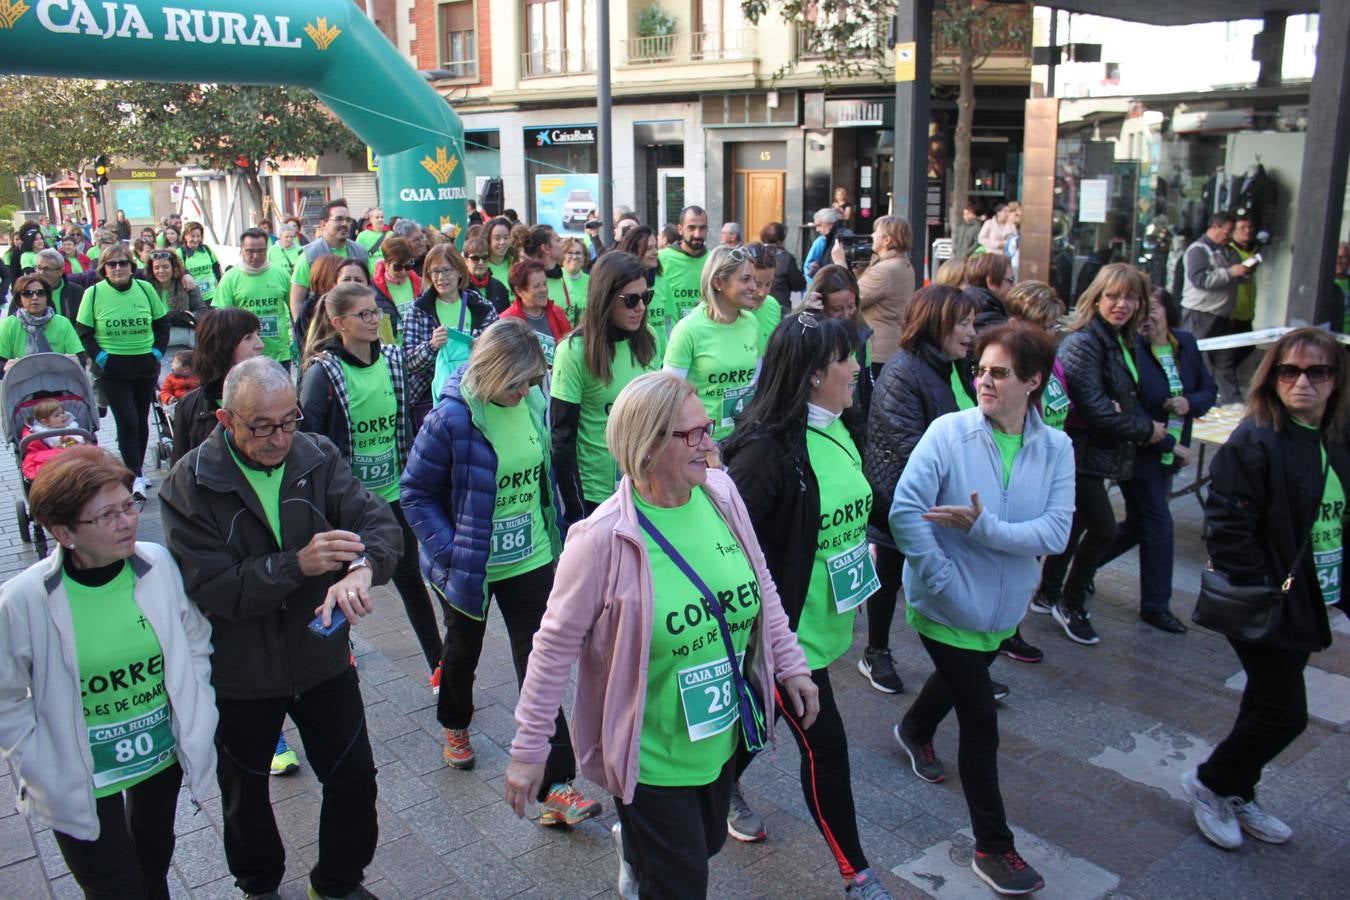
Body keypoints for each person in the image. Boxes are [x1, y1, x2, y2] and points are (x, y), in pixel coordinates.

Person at [505, 371, 819, 898]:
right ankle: (643, 853)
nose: (710, 444)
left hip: (722, 738)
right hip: (650, 759)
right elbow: (551, 649)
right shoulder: (601, 540)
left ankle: (638, 852)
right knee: (682, 882)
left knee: (707, 845)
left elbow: (760, 584)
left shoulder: (721, 494)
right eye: (692, 435)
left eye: (707, 429)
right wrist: (529, 748)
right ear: (647, 445)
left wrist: (791, 665)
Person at [160, 356, 400, 900]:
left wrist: (363, 569)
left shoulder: (315, 454)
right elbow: (213, 588)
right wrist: (300, 565)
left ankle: (337, 884)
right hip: (239, 674)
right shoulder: (189, 483)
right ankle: (259, 886)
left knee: (355, 778)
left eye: (288, 419)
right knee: (244, 794)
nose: (278, 438)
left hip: (321, 661)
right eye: (261, 426)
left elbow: (378, 521)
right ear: (225, 419)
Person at [890, 322, 1072, 896]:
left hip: (1003, 609)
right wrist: (942, 578)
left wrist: (985, 528)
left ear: (1033, 381)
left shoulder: (1057, 446)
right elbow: (905, 512)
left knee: (963, 681)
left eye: (1000, 373)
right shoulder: (949, 433)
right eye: (981, 370)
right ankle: (994, 846)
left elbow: (1058, 530)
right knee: (981, 720)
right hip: (944, 605)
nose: (984, 381)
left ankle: (914, 726)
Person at [721, 314, 896, 899]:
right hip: (782, 640)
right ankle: (858, 875)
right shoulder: (765, 454)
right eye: (847, 359)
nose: (857, 368)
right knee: (826, 748)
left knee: (746, 737)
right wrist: (766, 638)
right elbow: (726, 548)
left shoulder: (840, 424)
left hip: (823, 627)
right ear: (816, 373)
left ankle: (673, 813)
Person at [401, 320, 603, 824]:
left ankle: (557, 786)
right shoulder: (451, 418)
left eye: (533, 381)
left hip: (530, 557)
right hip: (469, 564)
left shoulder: (532, 403)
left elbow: (543, 473)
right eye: (518, 382)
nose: (527, 391)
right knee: (462, 650)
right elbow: (416, 492)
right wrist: (449, 550)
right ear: (493, 373)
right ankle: (455, 722)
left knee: (541, 664)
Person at [0, 447, 218, 900]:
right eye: (107, 515)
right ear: (64, 532)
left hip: (157, 758)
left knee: (153, 866)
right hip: (78, 774)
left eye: (129, 505)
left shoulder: (156, 564)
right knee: (115, 888)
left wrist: (199, 707)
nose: (128, 521)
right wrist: (36, 760)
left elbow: (193, 637)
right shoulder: (24, 599)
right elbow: (5, 696)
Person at [1184, 327, 1347, 851]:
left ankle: (1238, 788)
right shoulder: (1257, 437)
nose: (1302, 382)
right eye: (1289, 370)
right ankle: (1211, 781)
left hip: (1314, 596)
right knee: (1285, 713)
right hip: (1269, 600)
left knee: (1263, 700)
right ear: (1272, 376)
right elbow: (1227, 525)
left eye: (1317, 372)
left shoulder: (1336, 438)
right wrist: (1265, 586)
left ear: (1336, 380)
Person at [299, 283, 442, 681]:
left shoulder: (392, 360)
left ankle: (438, 662)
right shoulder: (324, 372)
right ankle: (338, 661)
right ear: (339, 323)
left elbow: (417, 380)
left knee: (410, 576)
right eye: (363, 315)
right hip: (347, 505)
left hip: (393, 494)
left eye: (376, 311)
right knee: (341, 582)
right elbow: (309, 440)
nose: (374, 320)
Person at [1032, 263, 1164, 645]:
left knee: (1074, 527)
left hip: (1099, 452)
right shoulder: (1085, 341)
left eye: (1129, 297)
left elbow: (1123, 397)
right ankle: (1069, 602)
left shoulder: (1122, 340)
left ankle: (1048, 592)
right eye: (1113, 296)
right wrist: (1149, 431)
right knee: (1103, 528)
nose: (1121, 304)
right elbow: (1095, 409)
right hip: (1079, 452)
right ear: (1097, 297)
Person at [862, 285, 980, 694]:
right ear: (936, 323)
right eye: (962, 323)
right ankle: (875, 651)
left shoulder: (958, 364)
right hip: (901, 492)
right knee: (889, 574)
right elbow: (911, 446)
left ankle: (964, 667)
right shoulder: (903, 371)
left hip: (950, 489)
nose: (971, 332)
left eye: (972, 322)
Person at [1099, 287, 1216, 633]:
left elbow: (1208, 391)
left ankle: (1080, 568)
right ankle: (1156, 606)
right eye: (1141, 309)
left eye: (1154, 309)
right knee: (1159, 524)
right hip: (1141, 452)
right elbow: (1130, 406)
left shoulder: (1186, 345)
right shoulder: (1131, 351)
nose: (1146, 316)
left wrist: (1189, 403)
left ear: (1169, 312)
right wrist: (1164, 441)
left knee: (1139, 524)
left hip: (1173, 453)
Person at [551, 252, 661, 523]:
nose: (640, 308)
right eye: (631, 300)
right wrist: (576, 511)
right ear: (604, 298)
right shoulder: (573, 351)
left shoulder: (650, 339)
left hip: (646, 485)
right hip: (597, 495)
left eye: (646, 297)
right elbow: (562, 438)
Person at [75, 245, 168, 499]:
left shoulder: (146, 289)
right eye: (112, 264)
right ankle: (134, 475)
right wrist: (102, 357)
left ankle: (136, 469)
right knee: (126, 420)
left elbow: (161, 324)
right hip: (113, 370)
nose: (118, 268)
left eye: (123, 263)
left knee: (140, 419)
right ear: (104, 268)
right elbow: (84, 331)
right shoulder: (93, 293)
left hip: (145, 366)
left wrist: (157, 352)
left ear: (131, 266)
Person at [663, 244, 763, 442]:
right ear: (718, 282)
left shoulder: (752, 323)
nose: (754, 287)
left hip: (744, 437)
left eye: (754, 279)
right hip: (700, 442)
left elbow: (755, 383)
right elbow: (670, 399)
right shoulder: (688, 329)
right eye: (745, 279)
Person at [402, 242, 497, 411]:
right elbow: (409, 361)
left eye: (446, 270)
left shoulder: (480, 305)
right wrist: (431, 346)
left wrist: (482, 346)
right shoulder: (418, 310)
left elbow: (498, 348)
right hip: (434, 398)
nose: (440, 278)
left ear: (460, 271)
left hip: (478, 393)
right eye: (435, 272)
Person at [170, 308, 264, 465]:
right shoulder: (189, 406)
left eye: (258, 335)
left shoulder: (279, 397)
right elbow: (180, 472)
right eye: (248, 338)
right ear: (221, 346)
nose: (260, 345)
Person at [1180, 212, 1249, 405]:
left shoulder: (1229, 251)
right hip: (1199, 313)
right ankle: (1186, 398)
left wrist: (1244, 272)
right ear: (1214, 227)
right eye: (1226, 231)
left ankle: (1233, 401)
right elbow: (1200, 279)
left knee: (1225, 361)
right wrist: (1230, 272)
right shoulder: (1198, 250)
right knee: (1191, 357)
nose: (1228, 236)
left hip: (1223, 315)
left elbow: (1237, 276)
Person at [804, 264, 875, 447]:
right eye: (837, 309)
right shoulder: (810, 333)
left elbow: (866, 384)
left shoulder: (862, 335)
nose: (846, 315)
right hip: (816, 426)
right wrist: (809, 317)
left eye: (851, 306)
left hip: (852, 426)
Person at [213, 227, 295, 369]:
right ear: (241, 250)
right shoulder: (230, 278)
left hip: (279, 355)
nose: (256, 256)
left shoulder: (281, 275)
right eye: (250, 251)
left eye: (261, 251)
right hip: (244, 357)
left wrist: (298, 340)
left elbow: (296, 308)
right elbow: (222, 320)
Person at [288, 198, 369, 323]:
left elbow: (368, 291)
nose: (344, 224)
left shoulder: (360, 253)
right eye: (338, 219)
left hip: (355, 326)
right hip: (322, 327)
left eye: (348, 220)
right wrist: (303, 334)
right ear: (323, 224)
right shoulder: (310, 255)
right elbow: (296, 301)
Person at [857, 215, 916, 376]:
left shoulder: (884, 270)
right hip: (892, 344)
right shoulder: (903, 263)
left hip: (878, 349)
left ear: (887, 240)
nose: (872, 236)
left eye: (876, 232)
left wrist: (840, 265)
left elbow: (851, 298)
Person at [651, 206, 711, 350]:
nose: (697, 233)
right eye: (691, 227)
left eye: (702, 228)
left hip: (704, 343)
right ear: (680, 229)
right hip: (670, 344)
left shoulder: (713, 261)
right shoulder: (661, 258)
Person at [0, 274, 84, 371]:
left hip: (58, 380)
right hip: (21, 382)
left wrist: (74, 361)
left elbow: (81, 359)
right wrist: (5, 367)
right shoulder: (9, 324)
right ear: (19, 299)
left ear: (47, 297)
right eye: (27, 293)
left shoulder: (62, 323)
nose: (35, 297)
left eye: (40, 293)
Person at [500, 258, 572, 366]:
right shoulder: (507, 321)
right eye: (537, 286)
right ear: (519, 291)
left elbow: (569, 350)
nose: (544, 290)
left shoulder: (557, 313)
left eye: (545, 284)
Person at [370, 236, 422, 343]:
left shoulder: (420, 283)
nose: (403, 272)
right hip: (391, 349)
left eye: (407, 266)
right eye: (397, 267)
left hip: (417, 347)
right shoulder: (373, 289)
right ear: (387, 265)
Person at [30, 248, 87, 322]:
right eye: (38, 268)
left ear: (60, 272)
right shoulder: (26, 292)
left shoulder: (77, 292)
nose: (41, 272)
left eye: (46, 269)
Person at [758, 221, 806, 307]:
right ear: (781, 240)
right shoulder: (786, 258)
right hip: (779, 305)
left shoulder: (753, 254)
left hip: (755, 304)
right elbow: (799, 284)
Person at [962, 253, 1015, 331]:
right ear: (991, 282)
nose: (1014, 285)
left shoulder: (972, 302)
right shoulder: (985, 315)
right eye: (1010, 281)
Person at [462, 234, 512, 313]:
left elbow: (506, 317)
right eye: (475, 258)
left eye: (485, 258)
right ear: (465, 260)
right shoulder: (459, 287)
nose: (481, 262)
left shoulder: (499, 287)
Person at [177, 223, 221, 303]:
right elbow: (177, 272)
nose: (196, 239)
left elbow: (216, 268)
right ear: (185, 236)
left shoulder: (207, 249)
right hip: (193, 298)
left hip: (213, 295)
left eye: (198, 236)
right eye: (192, 236)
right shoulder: (180, 253)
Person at [804, 208, 844, 280]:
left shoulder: (837, 240)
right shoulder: (826, 239)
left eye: (819, 225)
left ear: (830, 224)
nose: (817, 229)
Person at [559, 236, 591, 326]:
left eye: (578, 253)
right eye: (569, 253)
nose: (574, 257)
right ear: (562, 255)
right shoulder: (553, 280)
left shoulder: (592, 281)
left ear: (584, 257)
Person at [619, 224, 661, 291]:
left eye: (656, 247)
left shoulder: (662, 281)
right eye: (649, 248)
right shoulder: (621, 284)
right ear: (634, 251)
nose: (656, 252)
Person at [484, 215, 516, 288]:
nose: (502, 242)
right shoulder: (481, 265)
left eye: (506, 237)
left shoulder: (516, 263)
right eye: (497, 238)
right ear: (488, 240)